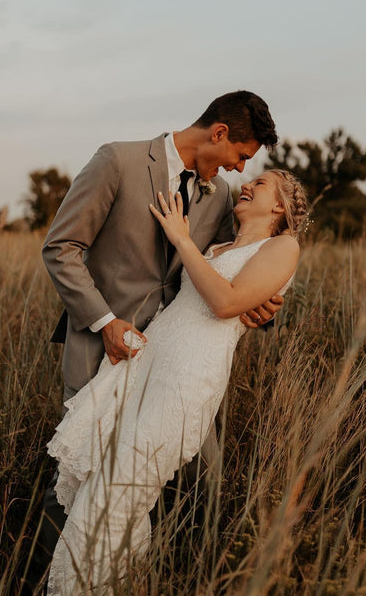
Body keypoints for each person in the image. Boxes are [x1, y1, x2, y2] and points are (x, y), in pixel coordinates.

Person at [25, 91, 280, 593]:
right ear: (219, 133)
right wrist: (105, 321)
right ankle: (42, 580)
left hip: (178, 367)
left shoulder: (222, 198)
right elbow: (61, 247)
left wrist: (264, 306)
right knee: (84, 476)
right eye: (240, 157)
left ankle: (156, 576)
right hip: (105, 350)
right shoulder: (117, 160)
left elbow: (233, 266)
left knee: (202, 478)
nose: (237, 171)